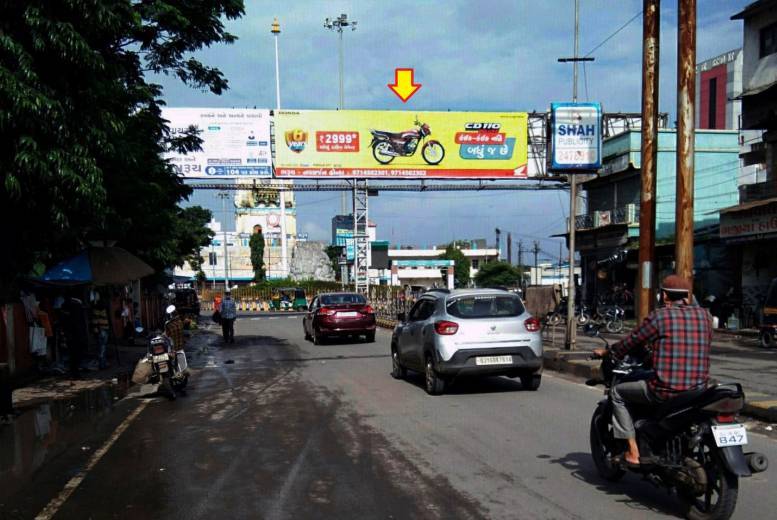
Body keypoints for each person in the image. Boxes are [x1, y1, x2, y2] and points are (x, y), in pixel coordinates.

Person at [593, 275, 712, 467]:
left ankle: (632, 452)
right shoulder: (705, 316)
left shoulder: (660, 316)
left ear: (664, 296)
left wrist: (609, 352)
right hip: (698, 390)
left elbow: (632, 341)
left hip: (665, 390)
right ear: (687, 297)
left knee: (617, 393)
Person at [61, 294, 89, 378]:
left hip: (73, 337)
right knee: (75, 355)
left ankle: (74, 371)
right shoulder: (76, 310)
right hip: (76, 337)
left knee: (73, 355)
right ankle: (74, 372)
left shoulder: (68, 310)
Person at [90, 295, 110, 369]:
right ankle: (102, 364)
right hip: (101, 330)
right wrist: (96, 331)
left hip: (104, 329)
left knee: (103, 347)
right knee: (102, 348)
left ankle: (103, 363)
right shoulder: (97, 311)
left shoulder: (103, 310)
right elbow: (95, 322)